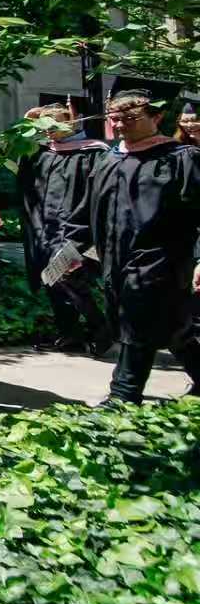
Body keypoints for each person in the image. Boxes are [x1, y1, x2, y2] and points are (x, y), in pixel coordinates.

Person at [87, 76, 200, 406]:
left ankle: (123, 397)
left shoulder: (180, 158)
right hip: (114, 259)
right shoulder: (109, 158)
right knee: (174, 329)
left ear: (157, 117)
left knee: (135, 325)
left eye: (130, 118)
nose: (120, 125)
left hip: (160, 258)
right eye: (115, 118)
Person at [15, 97, 110, 354]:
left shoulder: (95, 153)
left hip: (76, 231)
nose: (47, 129)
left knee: (72, 280)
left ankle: (101, 326)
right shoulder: (42, 153)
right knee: (52, 281)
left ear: (72, 121)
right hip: (43, 229)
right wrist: (27, 123)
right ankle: (70, 333)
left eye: (53, 122)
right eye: (43, 124)